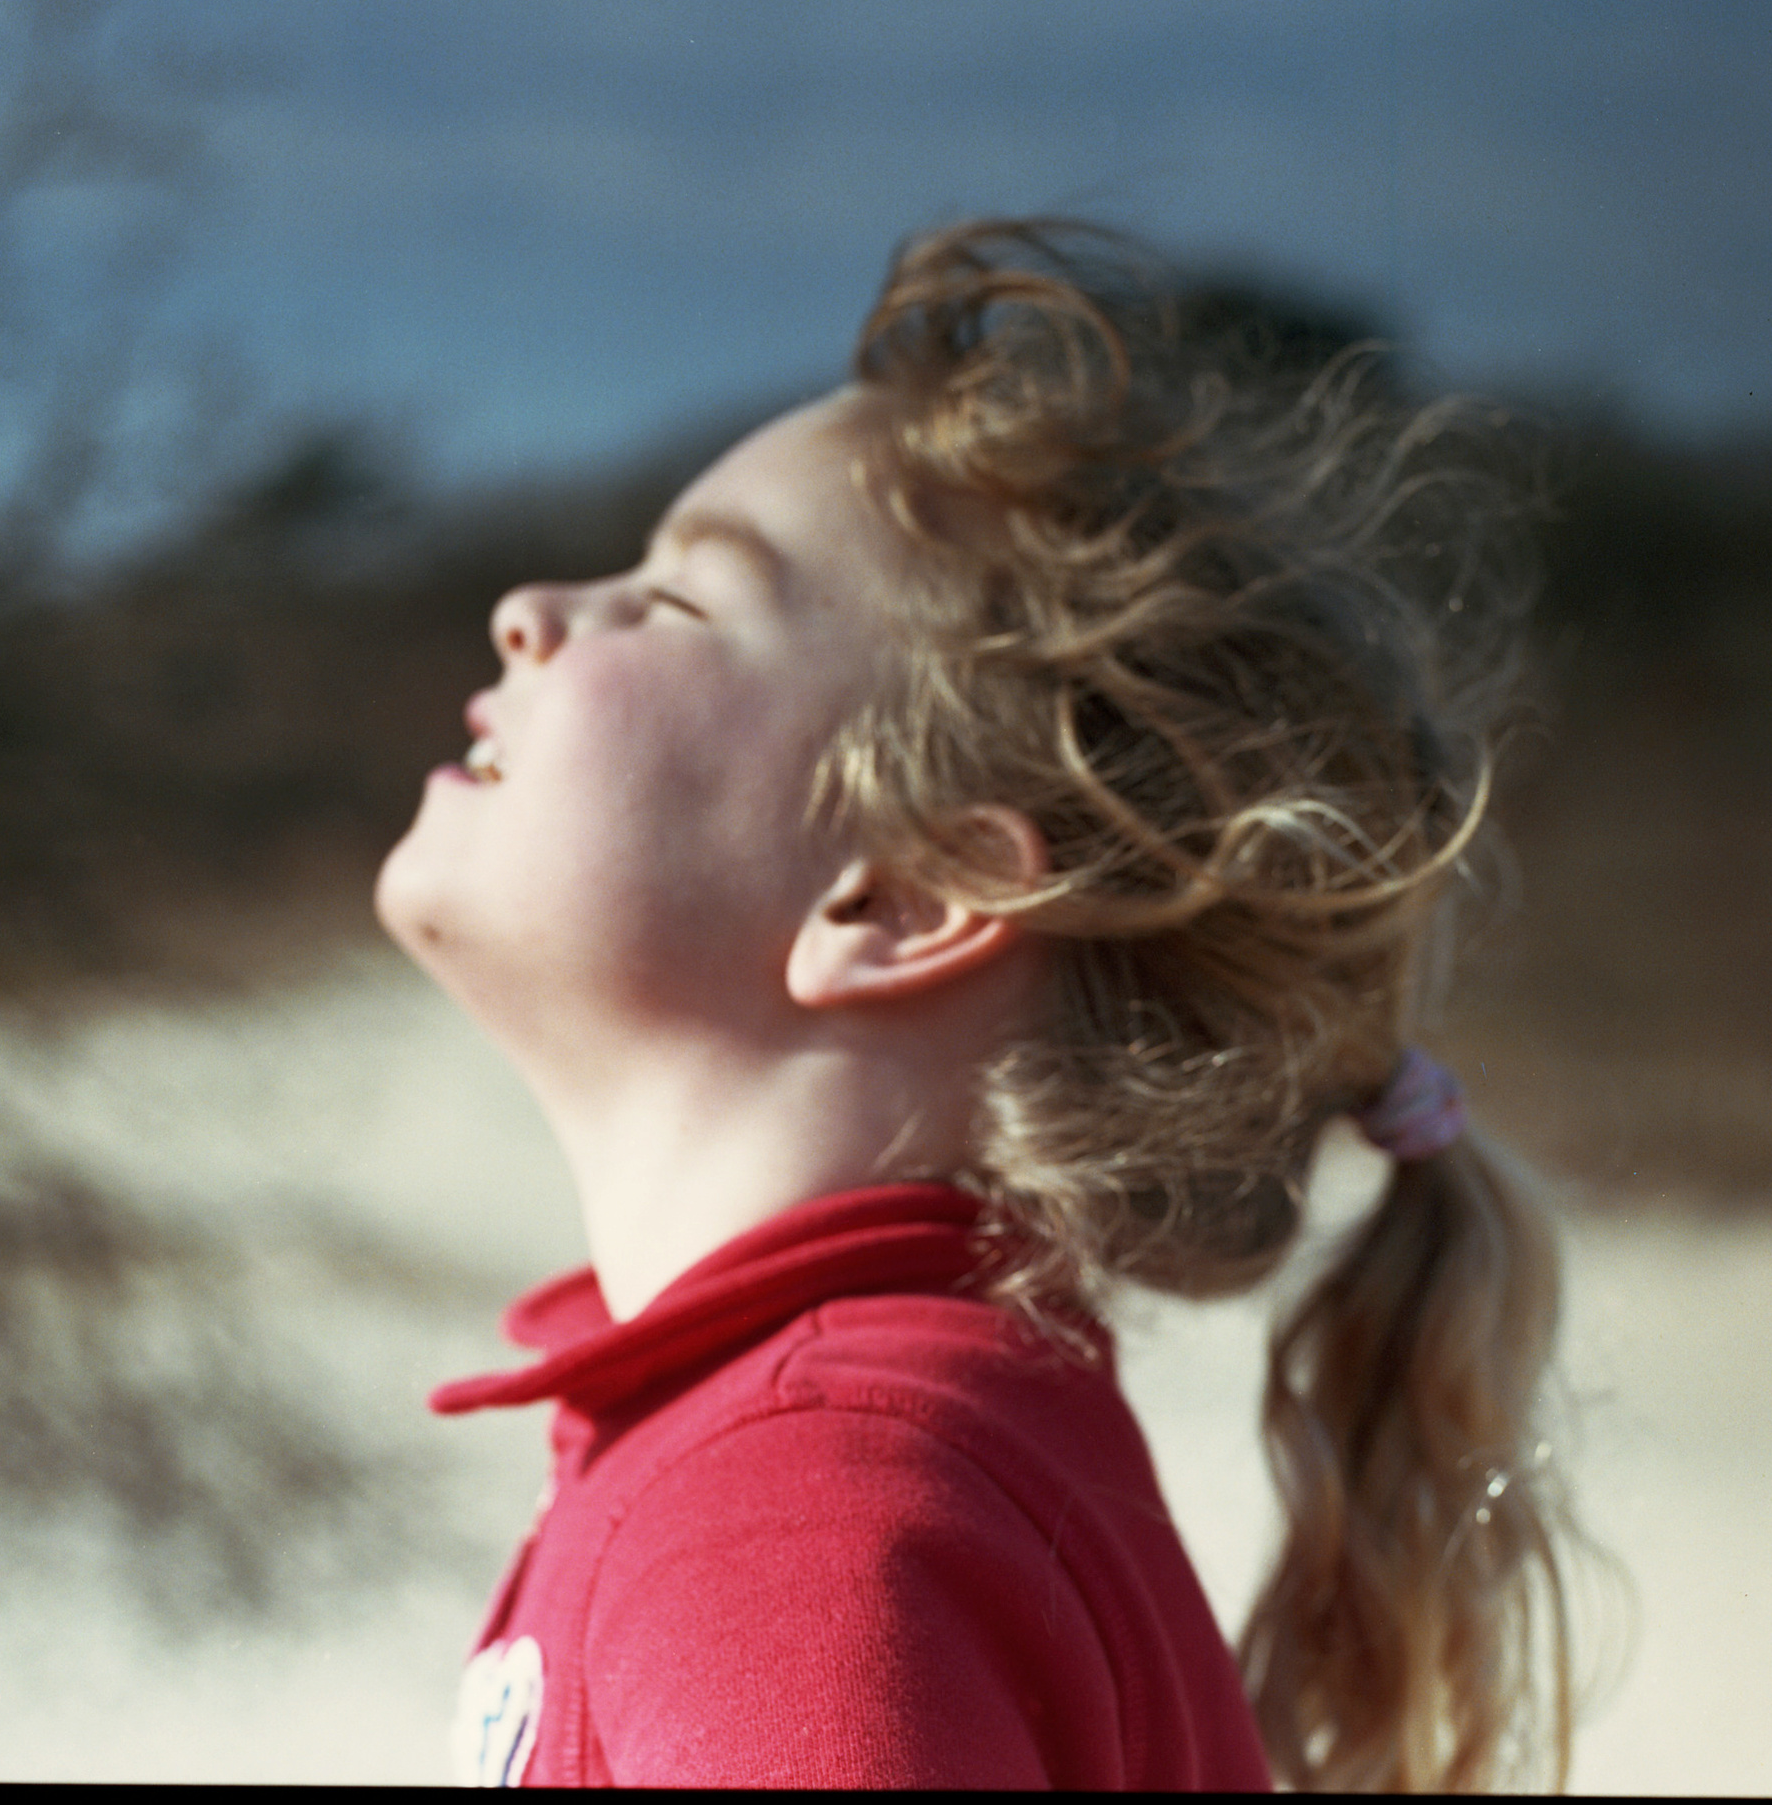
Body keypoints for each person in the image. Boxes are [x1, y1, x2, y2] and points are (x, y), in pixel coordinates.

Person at [375, 218, 1581, 1790]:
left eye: (679, 601)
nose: (533, 607)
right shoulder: (844, 1445)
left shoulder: (797, 1517)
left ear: (903, 900)